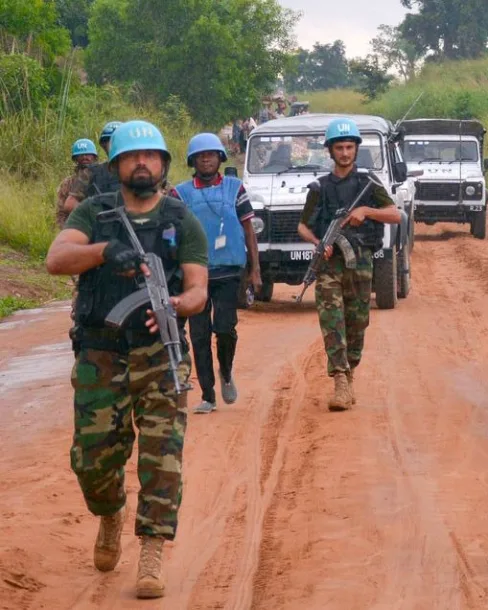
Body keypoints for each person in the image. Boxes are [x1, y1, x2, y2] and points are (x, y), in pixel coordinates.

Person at [45, 120, 209, 599]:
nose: (143, 163)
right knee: (91, 461)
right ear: (116, 166)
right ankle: (110, 511)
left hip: (160, 355)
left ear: (162, 165)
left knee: (163, 458)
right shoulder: (95, 212)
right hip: (101, 352)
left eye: (151, 156)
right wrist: (102, 252)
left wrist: (178, 306)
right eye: (133, 157)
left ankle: (152, 548)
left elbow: (198, 288)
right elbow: (57, 259)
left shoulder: (181, 219)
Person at [297, 118, 401, 411]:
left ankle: (350, 368)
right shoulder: (319, 188)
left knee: (357, 323)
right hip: (331, 265)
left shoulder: (368, 184)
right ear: (330, 151)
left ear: (356, 150)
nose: (344, 153)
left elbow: (395, 215)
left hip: (361, 262)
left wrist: (366, 211)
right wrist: (319, 243)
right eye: (339, 148)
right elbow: (302, 227)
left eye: (349, 147)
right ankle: (340, 378)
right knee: (332, 320)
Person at [173, 133, 262, 414]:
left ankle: (225, 371)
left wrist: (255, 270)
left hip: (228, 272)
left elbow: (249, 231)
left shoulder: (235, 189)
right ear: (193, 161)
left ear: (220, 158)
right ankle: (208, 395)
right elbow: (170, 235)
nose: (207, 159)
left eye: (212, 154)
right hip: (193, 275)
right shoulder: (180, 194)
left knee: (225, 329)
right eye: (201, 156)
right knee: (198, 335)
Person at [56, 139, 98, 228]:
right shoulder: (68, 183)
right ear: (75, 159)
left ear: (94, 157)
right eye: (81, 155)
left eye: (88, 154)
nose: (84, 157)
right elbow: (61, 212)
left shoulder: (103, 177)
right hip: (77, 226)